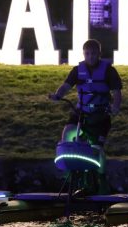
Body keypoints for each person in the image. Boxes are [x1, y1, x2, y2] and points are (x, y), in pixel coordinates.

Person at [49, 39, 122, 194]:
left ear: (99, 54)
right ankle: (69, 173)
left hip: (100, 115)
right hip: (81, 112)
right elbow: (66, 86)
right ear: (84, 54)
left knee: (97, 149)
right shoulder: (77, 70)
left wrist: (115, 107)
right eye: (87, 54)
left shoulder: (109, 71)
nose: (90, 57)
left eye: (94, 54)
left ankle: (101, 179)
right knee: (68, 133)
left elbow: (116, 92)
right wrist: (58, 95)